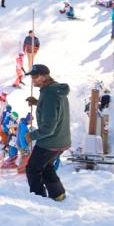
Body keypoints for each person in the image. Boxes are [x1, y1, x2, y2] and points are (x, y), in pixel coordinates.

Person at [25, 64, 71, 201]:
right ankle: (58, 194)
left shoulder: (49, 94)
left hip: (50, 141)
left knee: (33, 169)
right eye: (32, 76)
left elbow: (49, 128)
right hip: (61, 139)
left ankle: (38, 199)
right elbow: (53, 109)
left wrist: (31, 136)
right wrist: (38, 103)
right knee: (46, 166)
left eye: (36, 76)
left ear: (45, 76)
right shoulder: (54, 90)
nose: (33, 79)